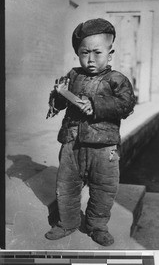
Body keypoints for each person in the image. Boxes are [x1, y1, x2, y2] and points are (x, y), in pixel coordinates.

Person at [45, 18, 136, 246]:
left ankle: (97, 226)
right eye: (84, 53)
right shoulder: (73, 75)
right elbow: (59, 104)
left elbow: (126, 105)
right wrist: (58, 94)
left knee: (104, 188)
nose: (91, 59)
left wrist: (96, 105)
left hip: (104, 147)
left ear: (110, 54)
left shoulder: (117, 80)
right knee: (66, 185)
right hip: (72, 143)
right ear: (78, 54)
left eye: (97, 52)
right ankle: (67, 222)